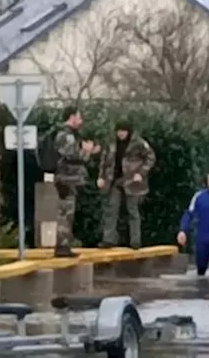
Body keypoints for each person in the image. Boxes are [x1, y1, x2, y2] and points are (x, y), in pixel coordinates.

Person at [97, 121, 156, 249]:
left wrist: (141, 173)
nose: (120, 134)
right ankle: (108, 239)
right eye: (118, 131)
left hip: (131, 181)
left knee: (132, 211)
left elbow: (150, 157)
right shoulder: (111, 143)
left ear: (128, 131)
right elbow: (104, 160)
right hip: (114, 180)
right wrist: (101, 177)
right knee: (111, 210)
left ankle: (135, 241)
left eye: (123, 131)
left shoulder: (138, 143)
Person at [52, 105, 99, 257]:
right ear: (71, 117)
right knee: (65, 213)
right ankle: (62, 246)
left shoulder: (70, 135)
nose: (81, 120)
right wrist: (86, 150)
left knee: (67, 213)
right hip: (66, 179)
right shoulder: (66, 135)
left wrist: (88, 151)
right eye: (78, 117)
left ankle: (64, 244)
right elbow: (72, 156)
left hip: (69, 179)